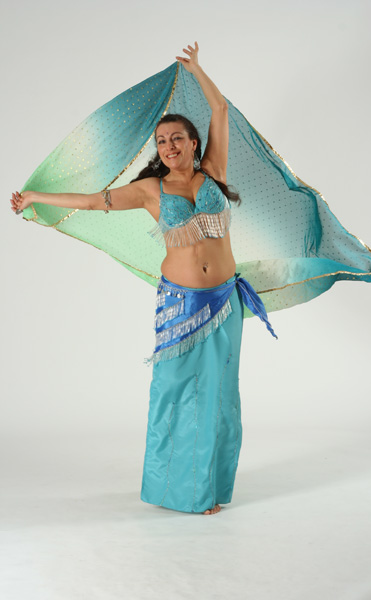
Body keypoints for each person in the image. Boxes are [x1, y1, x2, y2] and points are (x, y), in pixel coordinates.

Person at [10, 42, 278, 515]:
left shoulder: (213, 172)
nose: (169, 147)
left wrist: (197, 70)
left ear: (193, 143)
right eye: (162, 141)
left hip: (225, 301)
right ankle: (179, 490)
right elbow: (92, 201)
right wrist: (37, 197)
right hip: (182, 304)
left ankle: (211, 487)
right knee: (175, 392)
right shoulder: (149, 189)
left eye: (177, 138)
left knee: (219, 395)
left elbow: (219, 109)